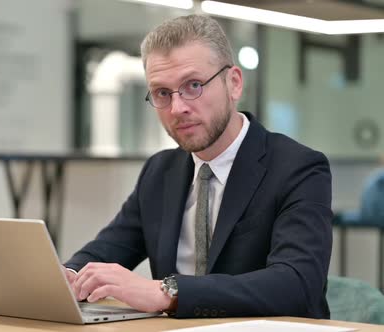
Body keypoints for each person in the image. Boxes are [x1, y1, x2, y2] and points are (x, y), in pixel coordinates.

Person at [63, 15, 333, 319]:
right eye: (163, 93)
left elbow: (296, 284)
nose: (178, 108)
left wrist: (166, 293)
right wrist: (69, 276)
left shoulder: (298, 168)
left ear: (233, 83)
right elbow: (107, 249)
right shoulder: (160, 171)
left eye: (193, 85)